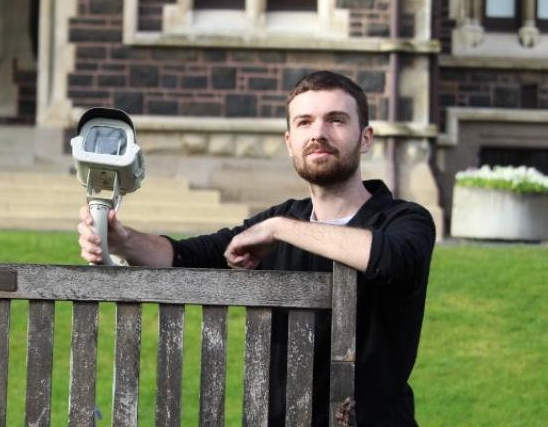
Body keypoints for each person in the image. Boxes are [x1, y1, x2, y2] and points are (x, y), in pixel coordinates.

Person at [78, 70, 435, 426]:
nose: (318, 134)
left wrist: (280, 230)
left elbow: (392, 259)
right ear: (289, 141)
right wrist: (121, 239)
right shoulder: (279, 221)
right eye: (304, 122)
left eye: (336, 120)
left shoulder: (404, 219)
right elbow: (189, 257)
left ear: (365, 137)